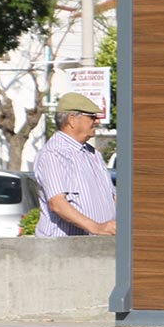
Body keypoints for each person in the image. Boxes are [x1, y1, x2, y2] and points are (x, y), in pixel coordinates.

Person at [34, 92, 116, 237]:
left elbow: (112, 197)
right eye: (92, 117)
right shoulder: (54, 154)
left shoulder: (93, 154)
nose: (97, 121)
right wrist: (97, 228)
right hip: (64, 247)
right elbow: (57, 204)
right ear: (72, 120)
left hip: (97, 244)